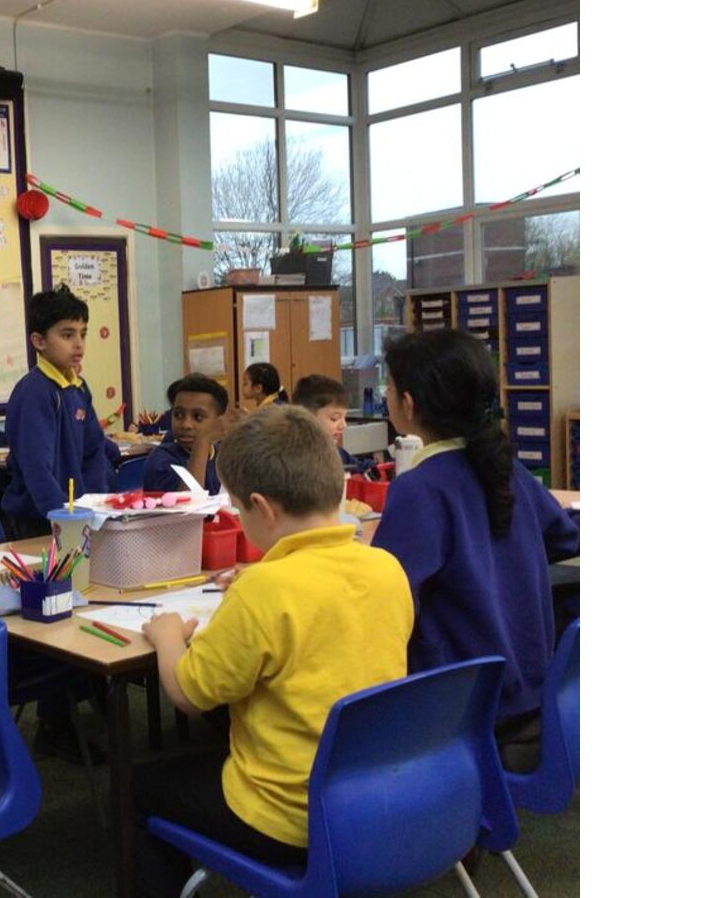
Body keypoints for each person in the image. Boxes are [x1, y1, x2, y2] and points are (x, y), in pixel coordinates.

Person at [136, 406, 413, 897]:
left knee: (142, 785)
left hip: (287, 816)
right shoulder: (387, 568)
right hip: (371, 794)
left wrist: (167, 636)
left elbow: (186, 693)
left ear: (262, 509)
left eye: (238, 510)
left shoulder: (264, 589)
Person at [370, 329, 579, 772]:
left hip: (463, 710)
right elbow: (566, 536)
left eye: (387, 388)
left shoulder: (419, 489)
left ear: (408, 403)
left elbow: (384, 594)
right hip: (531, 693)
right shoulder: (507, 471)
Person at [1, 286, 113, 539]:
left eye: (83, 334)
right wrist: (64, 518)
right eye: (67, 335)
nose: (79, 344)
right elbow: (36, 468)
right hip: (38, 521)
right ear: (39, 341)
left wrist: (94, 504)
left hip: (78, 517)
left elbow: (94, 450)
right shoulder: (34, 391)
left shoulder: (79, 388)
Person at [142, 374, 227, 494]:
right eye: (178, 415)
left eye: (198, 417)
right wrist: (202, 441)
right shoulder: (161, 459)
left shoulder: (224, 456)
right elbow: (189, 502)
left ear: (220, 421)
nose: (186, 425)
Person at [290, 374, 376, 475]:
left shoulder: (338, 454)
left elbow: (361, 467)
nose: (343, 425)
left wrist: (374, 467)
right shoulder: (291, 460)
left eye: (344, 418)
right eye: (334, 418)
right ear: (307, 417)